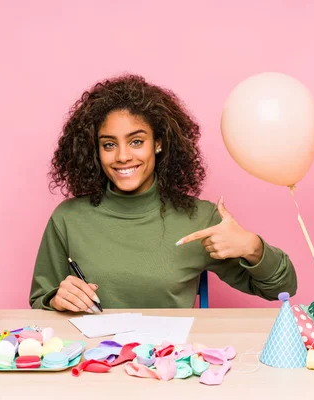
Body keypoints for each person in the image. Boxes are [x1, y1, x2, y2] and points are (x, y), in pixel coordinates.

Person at [29, 74, 297, 313]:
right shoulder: (68, 219)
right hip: (91, 364)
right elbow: (40, 298)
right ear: (95, 151)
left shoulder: (200, 220)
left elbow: (281, 288)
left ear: (158, 143)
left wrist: (253, 247)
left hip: (168, 365)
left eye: (136, 141)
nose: (123, 156)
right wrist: (55, 298)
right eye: (109, 145)